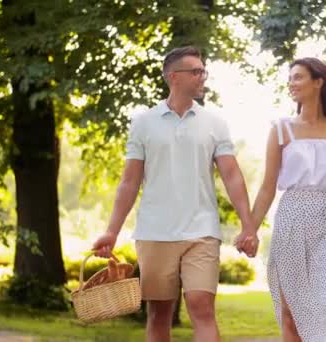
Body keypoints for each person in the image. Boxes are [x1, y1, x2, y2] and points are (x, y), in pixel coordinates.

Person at [91, 46, 258, 342]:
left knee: (202, 307)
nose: (202, 77)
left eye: (203, 71)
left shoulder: (215, 123)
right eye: (195, 71)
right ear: (173, 77)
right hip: (155, 231)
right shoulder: (143, 123)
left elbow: (232, 175)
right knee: (159, 312)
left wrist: (249, 225)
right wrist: (111, 231)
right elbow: (129, 182)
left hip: (202, 230)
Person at [250, 57, 326, 341]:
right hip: (291, 221)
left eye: (298, 77)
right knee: (292, 312)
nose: (291, 83)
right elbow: (266, 188)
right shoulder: (281, 129)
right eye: (290, 78)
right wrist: (250, 229)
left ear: (318, 81)